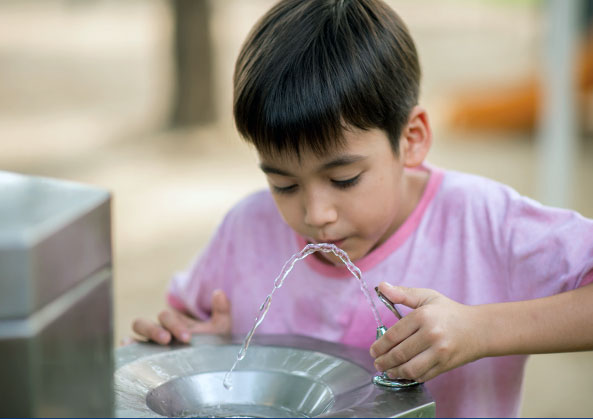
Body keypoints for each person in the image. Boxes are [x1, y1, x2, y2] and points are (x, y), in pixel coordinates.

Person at [132, 0, 593, 416]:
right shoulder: (247, 230)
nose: (316, 214)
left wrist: (481, 330)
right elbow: (187, 325)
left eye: (344, 179)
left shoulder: (482, 222)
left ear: (411, 139)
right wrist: (199, 346)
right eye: (283, 184)